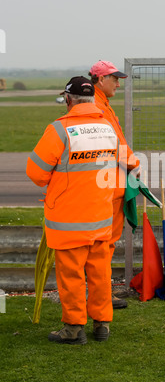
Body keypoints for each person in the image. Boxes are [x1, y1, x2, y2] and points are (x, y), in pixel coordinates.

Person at [26, 76, 119, 344]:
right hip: (101, 217)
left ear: (68, 99)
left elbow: (36, 173)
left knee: (72, 276)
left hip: (68, 221)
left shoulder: (59, 130)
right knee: (101, 274)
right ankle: (102, 324)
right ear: (92, 99)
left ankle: (74, 328)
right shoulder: (108, 128)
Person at [88, 61, 140, 307]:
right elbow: (114, 143)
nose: (118, 83)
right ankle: (100, 297)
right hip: (106, 184)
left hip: (111, 183)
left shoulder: (102, 103)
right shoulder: (97, 106)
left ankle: (101, 294)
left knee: (106, 243)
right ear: (100, 80)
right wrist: (133, 164)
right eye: (114, 79)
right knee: (103, 244)